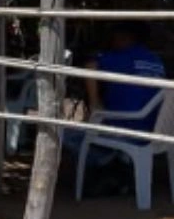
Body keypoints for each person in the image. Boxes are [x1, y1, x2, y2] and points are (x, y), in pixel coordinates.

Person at [63, 21, 166, 194]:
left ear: (122, 37)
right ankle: (122, 167)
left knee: (63, 135)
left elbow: (90, 65)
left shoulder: (119, 57)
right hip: (154, 130)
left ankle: (111, 167)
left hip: (125, 130)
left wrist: (95, 101)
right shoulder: (156, 61)